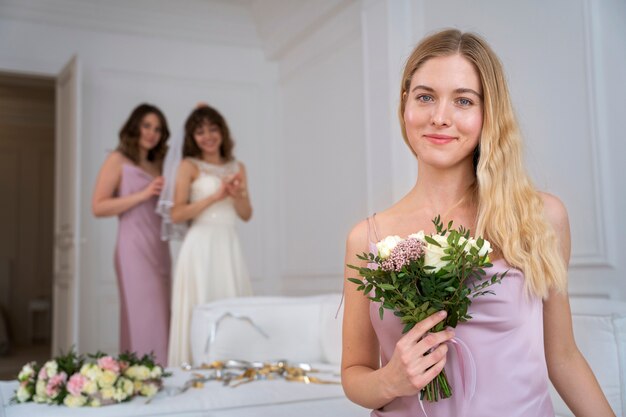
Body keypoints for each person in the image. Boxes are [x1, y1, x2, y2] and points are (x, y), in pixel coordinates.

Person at [341, 29, 615, 417]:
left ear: (488, 113)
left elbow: (564, 359)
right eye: (425, 97)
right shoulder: (367, 238)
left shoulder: (539, 219)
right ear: (405, 104)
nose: (439, 117)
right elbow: (354, 374)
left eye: (463, 101)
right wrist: (391, 380)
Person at [166, 104, 253, 367]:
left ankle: (232, 364)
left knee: (230, 302)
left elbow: (246, 214)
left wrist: (236, 194)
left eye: (213, 129)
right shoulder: (188, 166)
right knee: (200, 303)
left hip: (228, 245)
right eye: (200, 131)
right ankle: (196, 365)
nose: (208, 136)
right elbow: (177, 214)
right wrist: (216, 196)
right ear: (192, 137)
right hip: (200, 245)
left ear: (222, 132)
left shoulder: (238, 166)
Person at [92, 103, 172, 365]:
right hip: (133, 247)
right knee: (144, 316)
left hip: (160, 246)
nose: (152, 133)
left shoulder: (158, 163)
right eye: (147, 125)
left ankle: (154, 374)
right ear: (135, 125)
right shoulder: (116, 160)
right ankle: (146, 374)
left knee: (163, 316)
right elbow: (98, 206)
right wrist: (144, 194)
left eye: (158, 129)